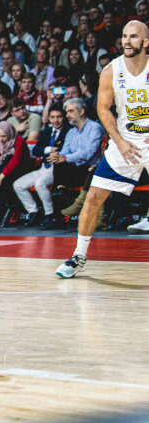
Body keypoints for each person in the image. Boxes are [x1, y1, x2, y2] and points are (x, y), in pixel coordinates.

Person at [57, 21, 149, 278]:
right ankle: (79, 256)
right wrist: (119, 140)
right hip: (125, 141)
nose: (128, 41)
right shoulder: (111, 70)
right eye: (124, 36)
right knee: (93, 198)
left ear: (146, 42)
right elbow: (103, 109)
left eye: (134, 37)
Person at [13, 106, 69, 228]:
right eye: (53, 117)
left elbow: (67, 149)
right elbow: (37, 150)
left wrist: (57, 151)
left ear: (63, 117)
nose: (56, 120)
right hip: (44, 167)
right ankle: (34, 212)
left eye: (59, 117)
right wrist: (48, 149)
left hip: (57, 169)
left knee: (40, 184)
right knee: (18, 184)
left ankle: (49, 214)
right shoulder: (46, 132)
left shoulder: (68, 131)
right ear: (48, 118)